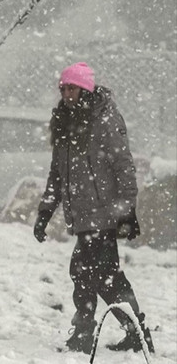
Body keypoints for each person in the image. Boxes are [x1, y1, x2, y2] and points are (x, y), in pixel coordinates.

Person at [33, 62, 154, 354]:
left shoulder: (104, 119)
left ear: (85, 88)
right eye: (62, 88)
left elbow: (124, 166)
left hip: (104, 213)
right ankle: (93, 333)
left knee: (102, 276)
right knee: (86, 273)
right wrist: (45, 213)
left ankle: (130, 332)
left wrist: (127, 211)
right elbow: (57, 174)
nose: (65, 94)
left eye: (71, 87)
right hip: (83, 217)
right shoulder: (64, 122)